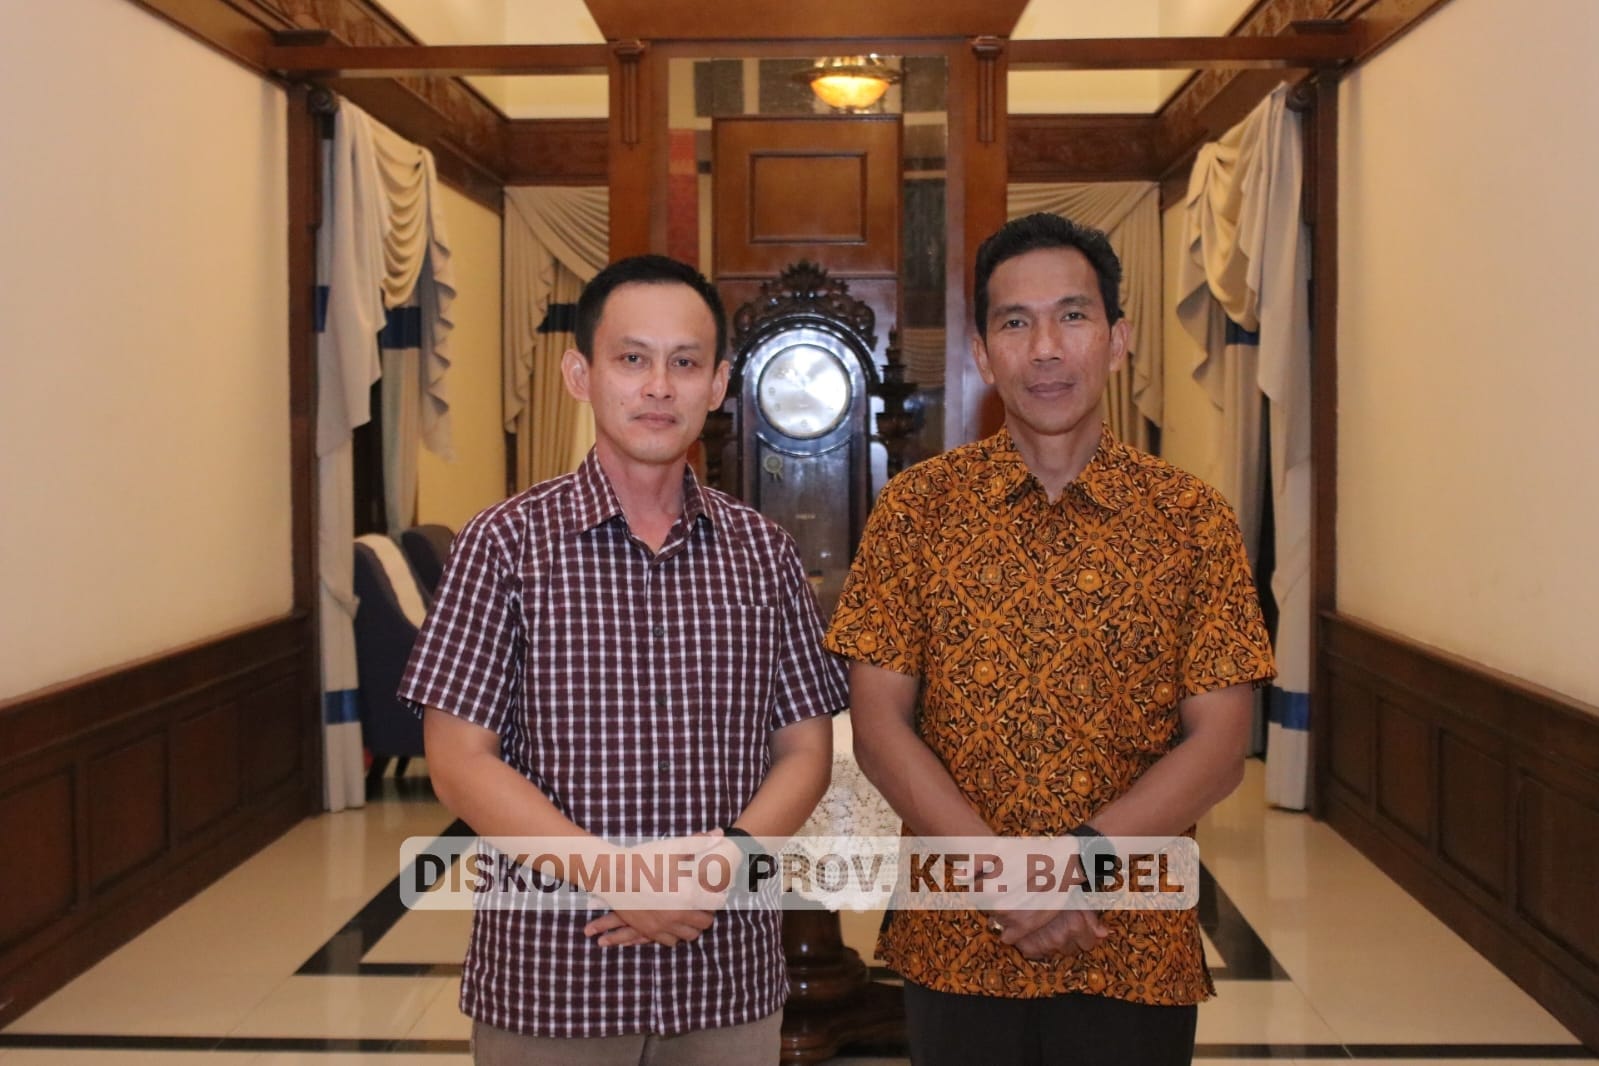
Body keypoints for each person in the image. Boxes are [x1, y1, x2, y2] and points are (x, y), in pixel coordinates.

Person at [825, 213, 1277, 1066]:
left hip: (1131, 931)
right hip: (959, 929)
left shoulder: (1192, 520)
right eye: (1014, 322)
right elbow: (880, 728)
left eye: (1072, 316)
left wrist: (1075, 866)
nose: (1044, 349)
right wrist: (1002, 876)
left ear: (1117, 341)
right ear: (981, 352)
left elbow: (1219, 748)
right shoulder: (917, 512)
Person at [400, 254, 846, 1065]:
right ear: (581, 374)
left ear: (718, 384)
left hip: (725, 968)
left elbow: (804, 751)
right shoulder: (503, 545)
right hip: (552, 975)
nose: (658, 387)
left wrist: (727, 863)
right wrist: (619, 878)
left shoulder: (763, 552)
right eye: (632, 359)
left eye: (685, 363)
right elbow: (459, 762)